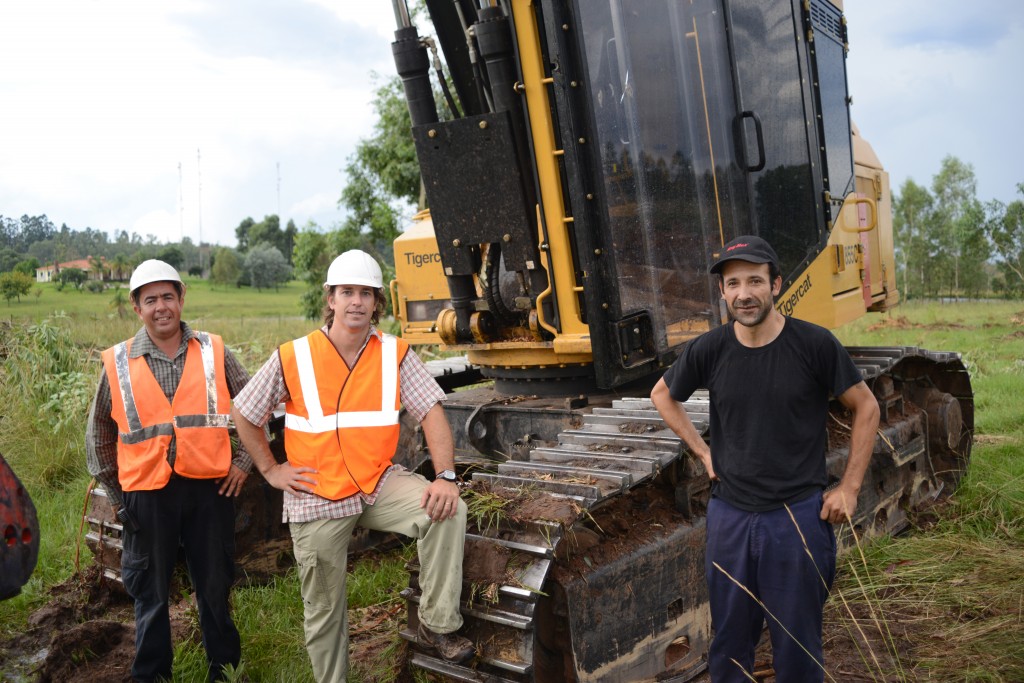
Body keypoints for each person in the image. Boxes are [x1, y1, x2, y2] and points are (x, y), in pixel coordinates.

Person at [230, 249, 474, 682]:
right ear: (331, 299)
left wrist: (446, 477)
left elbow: (433, 411)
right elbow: (245, 413)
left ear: (378, 302)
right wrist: (271, 471)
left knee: (447, 510)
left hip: (376, 482)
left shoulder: (393, 353)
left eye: (366, 293)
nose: (356, 301)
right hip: (318, 493)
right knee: (324, 611)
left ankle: (438, 625)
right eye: (347, 292)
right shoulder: (295, 356)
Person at [649, 235, 880, 682]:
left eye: (755, 280)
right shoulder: (710, 348)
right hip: (730, 519)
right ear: (722, 292)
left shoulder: (814, 345)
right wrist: (702, 451)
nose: (743, 293)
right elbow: (662, 395)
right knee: (730, 645)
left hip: (795, 520)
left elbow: (866, 407)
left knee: (796, 646)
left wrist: (849, 487)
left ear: (776, 285)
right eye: (733, 283)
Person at [86, 259, 252, 683]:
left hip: (208, 490)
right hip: (147, 494)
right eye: (150, 300)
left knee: (215, 585)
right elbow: (99, 436)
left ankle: (226, 671)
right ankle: (153, 675)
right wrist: (120, 499)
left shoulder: (214, 350)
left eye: (167, 297)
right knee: (149, 592)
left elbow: (255, 405)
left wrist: (245, 462)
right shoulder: (118, 362)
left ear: (181, 298)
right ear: (136, 307)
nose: (161, 307)